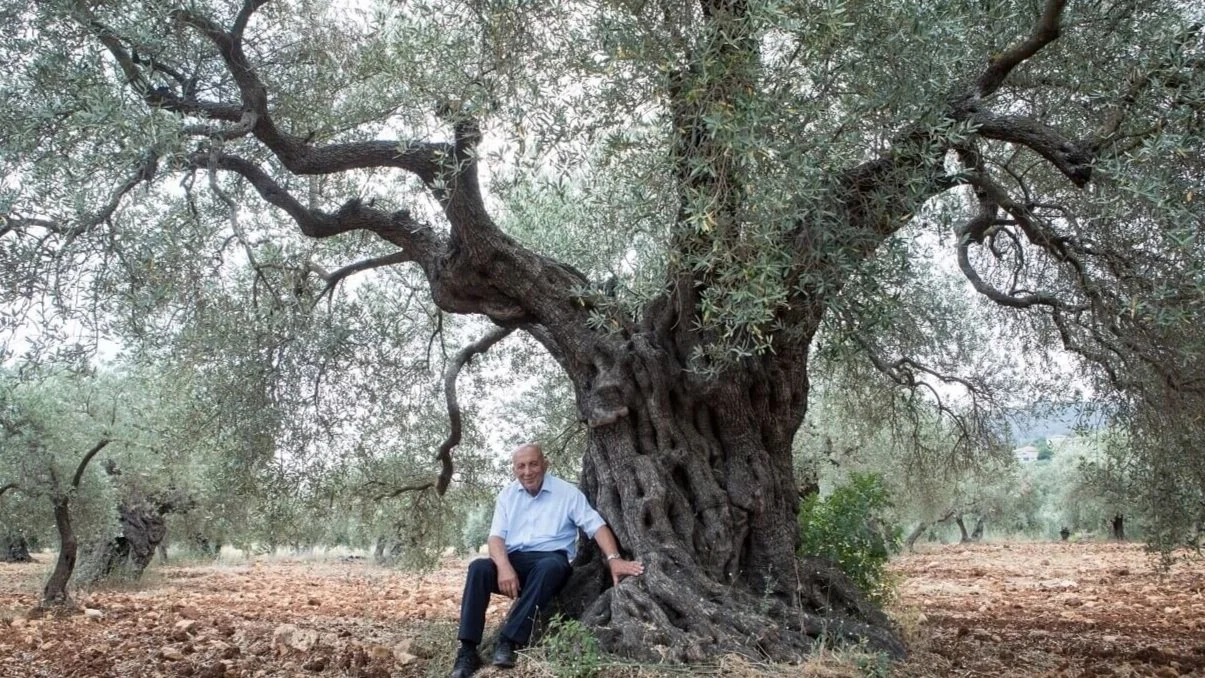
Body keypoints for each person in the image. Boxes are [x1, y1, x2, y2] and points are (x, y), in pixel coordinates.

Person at [450, 442, 644, 678]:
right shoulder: (508, 495)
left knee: (550, 566)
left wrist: (614, 559)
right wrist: (503, 567)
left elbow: (596, 526)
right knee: (478, 567)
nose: (527, 471)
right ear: (514, 469)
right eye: (521, 466)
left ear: (545, 464)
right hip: (514, 561)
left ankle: (509, 641)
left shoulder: (566, 493)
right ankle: (468, 651)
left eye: (533, 464)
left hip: (551, 561)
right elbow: (495, 539)